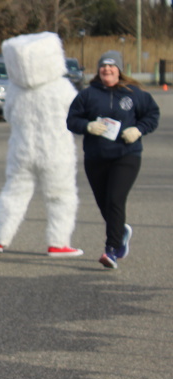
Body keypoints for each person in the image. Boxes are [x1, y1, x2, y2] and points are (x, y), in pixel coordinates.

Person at [0, 32, 83, 258]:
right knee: (60, 195)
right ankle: (58, 242)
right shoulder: (61, 87)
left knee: (13, 193)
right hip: (56, 149)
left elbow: (8, 115)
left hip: (22, 150)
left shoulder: (15, 89)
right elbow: (77, 114)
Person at [66, 50, 160, 269]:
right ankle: (120, 231)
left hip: (126, 155)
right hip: (96, 157)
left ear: (119, 70)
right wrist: (87, 126)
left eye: (111, 66)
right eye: (103, 66)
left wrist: (138, 129)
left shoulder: (134, 94)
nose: (107, 69)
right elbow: (72, 120)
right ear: (99, 70)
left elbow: (152, 115)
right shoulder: (87, 95)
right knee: (104, 204)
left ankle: (112, 250)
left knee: (115, 200)